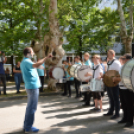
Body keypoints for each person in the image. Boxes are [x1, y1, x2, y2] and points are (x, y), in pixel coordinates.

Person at [20, 47, 52, 133]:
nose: (33, 53)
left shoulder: (25, 61)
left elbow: (36, 65)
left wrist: (41, 67)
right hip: (32, 87)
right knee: (32, 108)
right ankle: (28, 127)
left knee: (29, 107)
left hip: (30, 87)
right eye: (32, 52)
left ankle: (26, 125)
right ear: (28, 53)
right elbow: (36, 65)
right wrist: (46, 58)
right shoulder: (26, 61)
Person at [115, 54, 133, 127]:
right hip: (121, 88)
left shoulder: (130, 67)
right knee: (124, 105)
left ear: (128, 59)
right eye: (122, 58)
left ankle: (130, 120)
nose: (122, 60)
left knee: (129, 105)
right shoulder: (122, 66)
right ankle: (125, 118)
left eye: (124, 58)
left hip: (128, 89)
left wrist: (118, 79)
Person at [103, 49, 121, 119]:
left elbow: (119, 73)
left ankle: (117, 113)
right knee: (110, 98)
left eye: (109, 54)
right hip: (108, 82)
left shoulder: (116, 63)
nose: (108, 55)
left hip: (114, 83)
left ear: (113, 55)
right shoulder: (109, 62)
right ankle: (111, 111)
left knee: (115, 98)